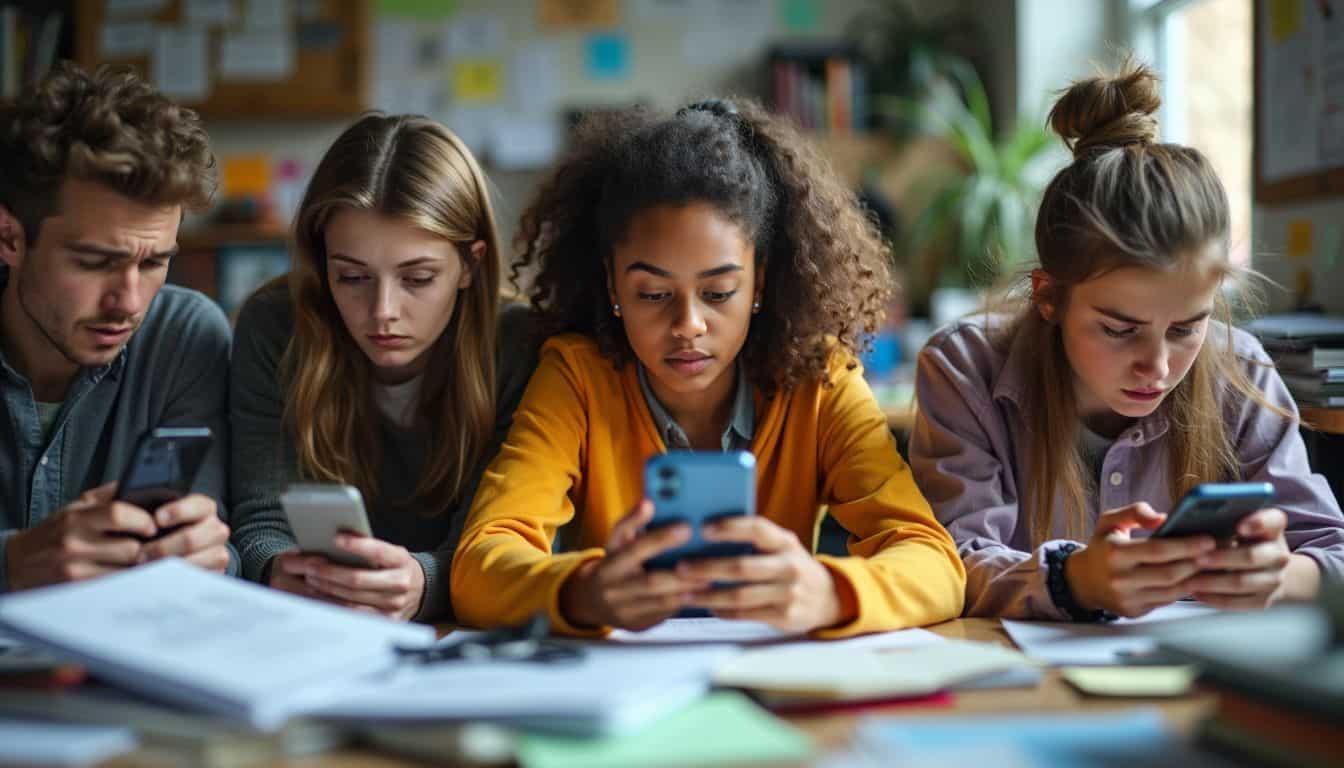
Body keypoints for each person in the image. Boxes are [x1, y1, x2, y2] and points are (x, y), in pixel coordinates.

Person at [451, 98, 965, 637]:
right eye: (652, 293)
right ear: (613, 285)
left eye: (719, 292)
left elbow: (936, 566)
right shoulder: (578, 378)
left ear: (760, 283)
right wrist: (586, 592)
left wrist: (828, 595)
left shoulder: (821, 382)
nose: (688, 324)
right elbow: (478, 568)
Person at [909, 62, 1344, 621]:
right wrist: (1074, 579)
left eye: (1187, 327)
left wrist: (1283, 575)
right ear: (1048, 297)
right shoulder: (963, 367)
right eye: (1119, 329)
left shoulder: (1242, 369)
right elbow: (945, 563)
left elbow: (1332, 551)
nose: (1157, 367)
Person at [230, 113, 537, 621]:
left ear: (472, 264)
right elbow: (263, 517)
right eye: (351, 277)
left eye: (417, 278)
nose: (382, 312)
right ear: (320, 258)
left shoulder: (522, 344)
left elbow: (512, 538)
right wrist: (276, 570)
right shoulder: (275, 326)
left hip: (461, 631)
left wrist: (427, 583)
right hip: (315, 628)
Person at [0, 63, 232, 591]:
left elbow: (222, 546)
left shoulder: (186, 337)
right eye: (93, 261)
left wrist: (210, 555)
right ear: (10, 238)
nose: (127, 303)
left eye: (153, 264)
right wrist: (10, 563)